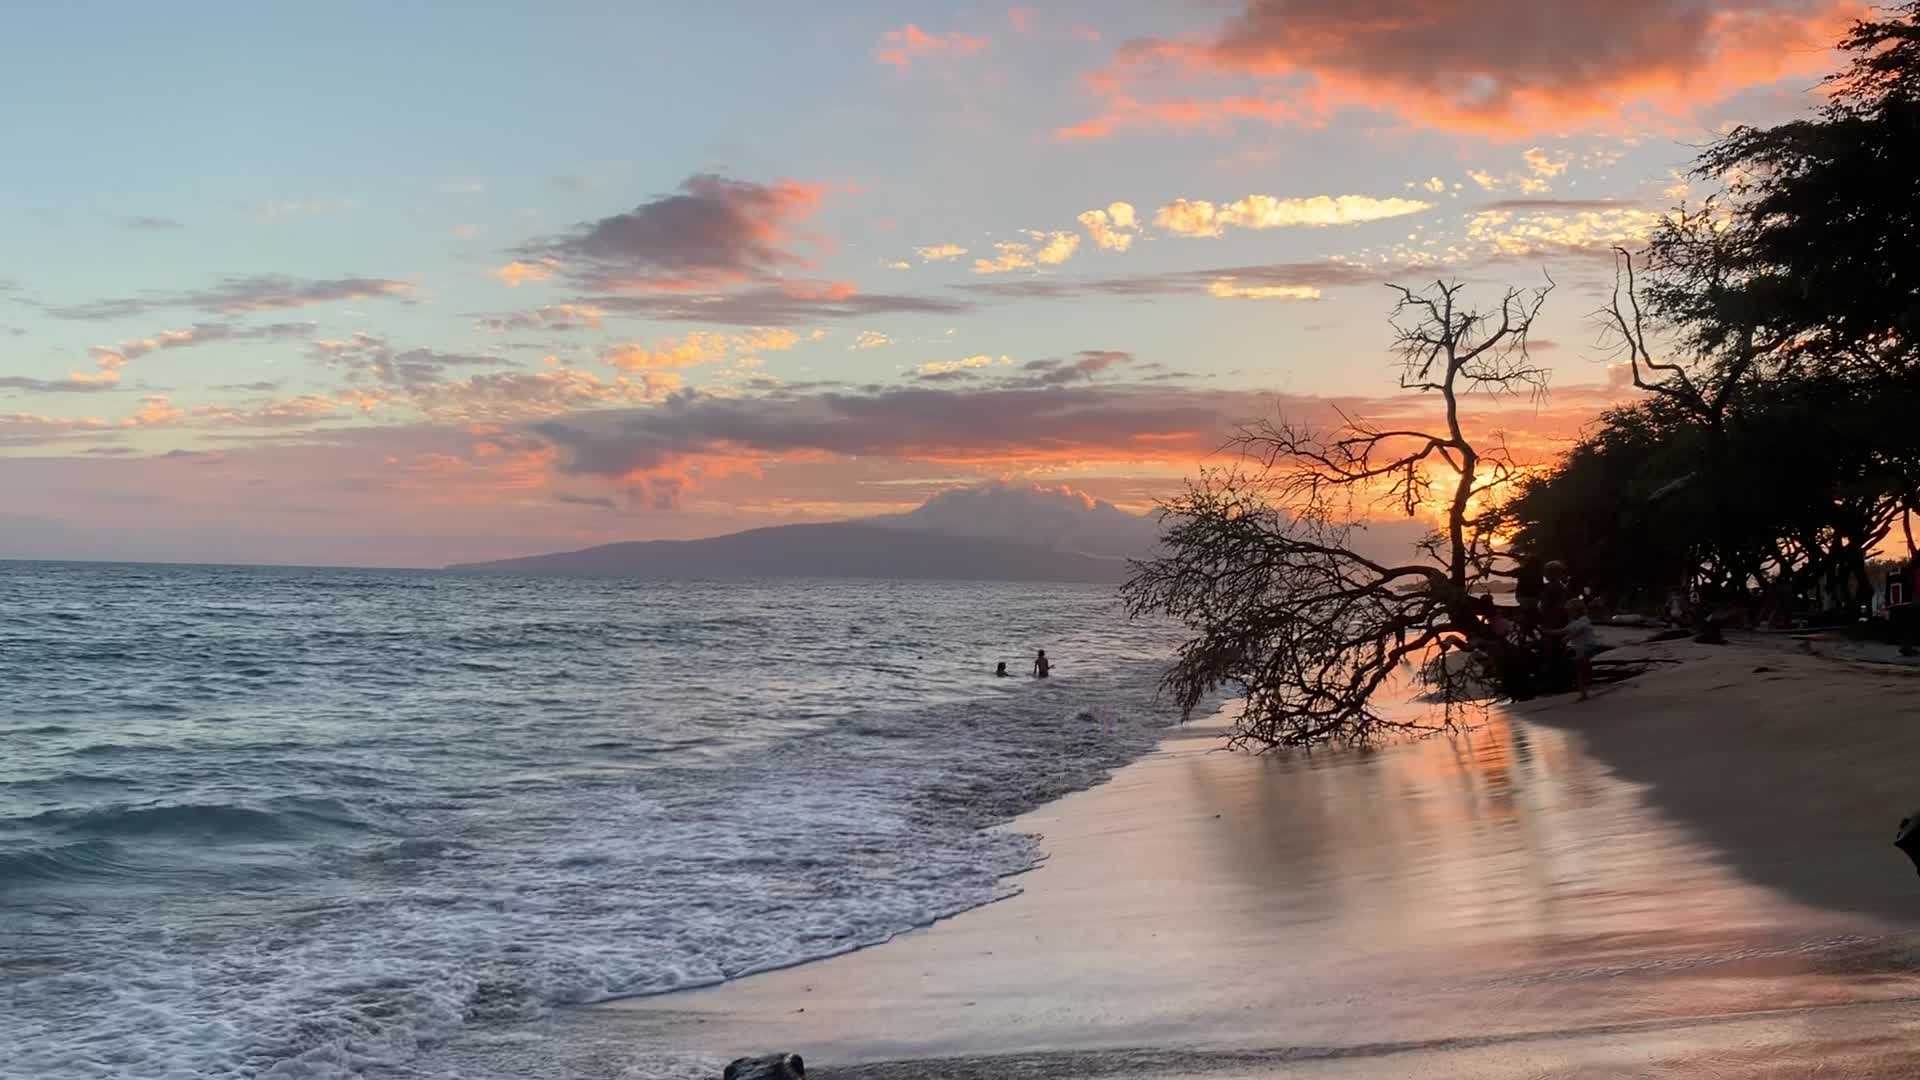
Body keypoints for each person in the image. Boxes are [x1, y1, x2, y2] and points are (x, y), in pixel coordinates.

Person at [1548, 599, 1598, 701]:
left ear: (1577, 611)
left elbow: (1581, 629)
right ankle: (1583, 693)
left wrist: (1568, 637)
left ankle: (1588, 674)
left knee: (1580, 663)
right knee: (1578, 671)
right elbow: (1561, 631)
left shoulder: (1584, 620)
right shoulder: (1573, 623)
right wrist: (1546, 631)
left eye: (1571, 612)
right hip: (1581, 649)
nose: (1569, 614)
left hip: (1589, 647)